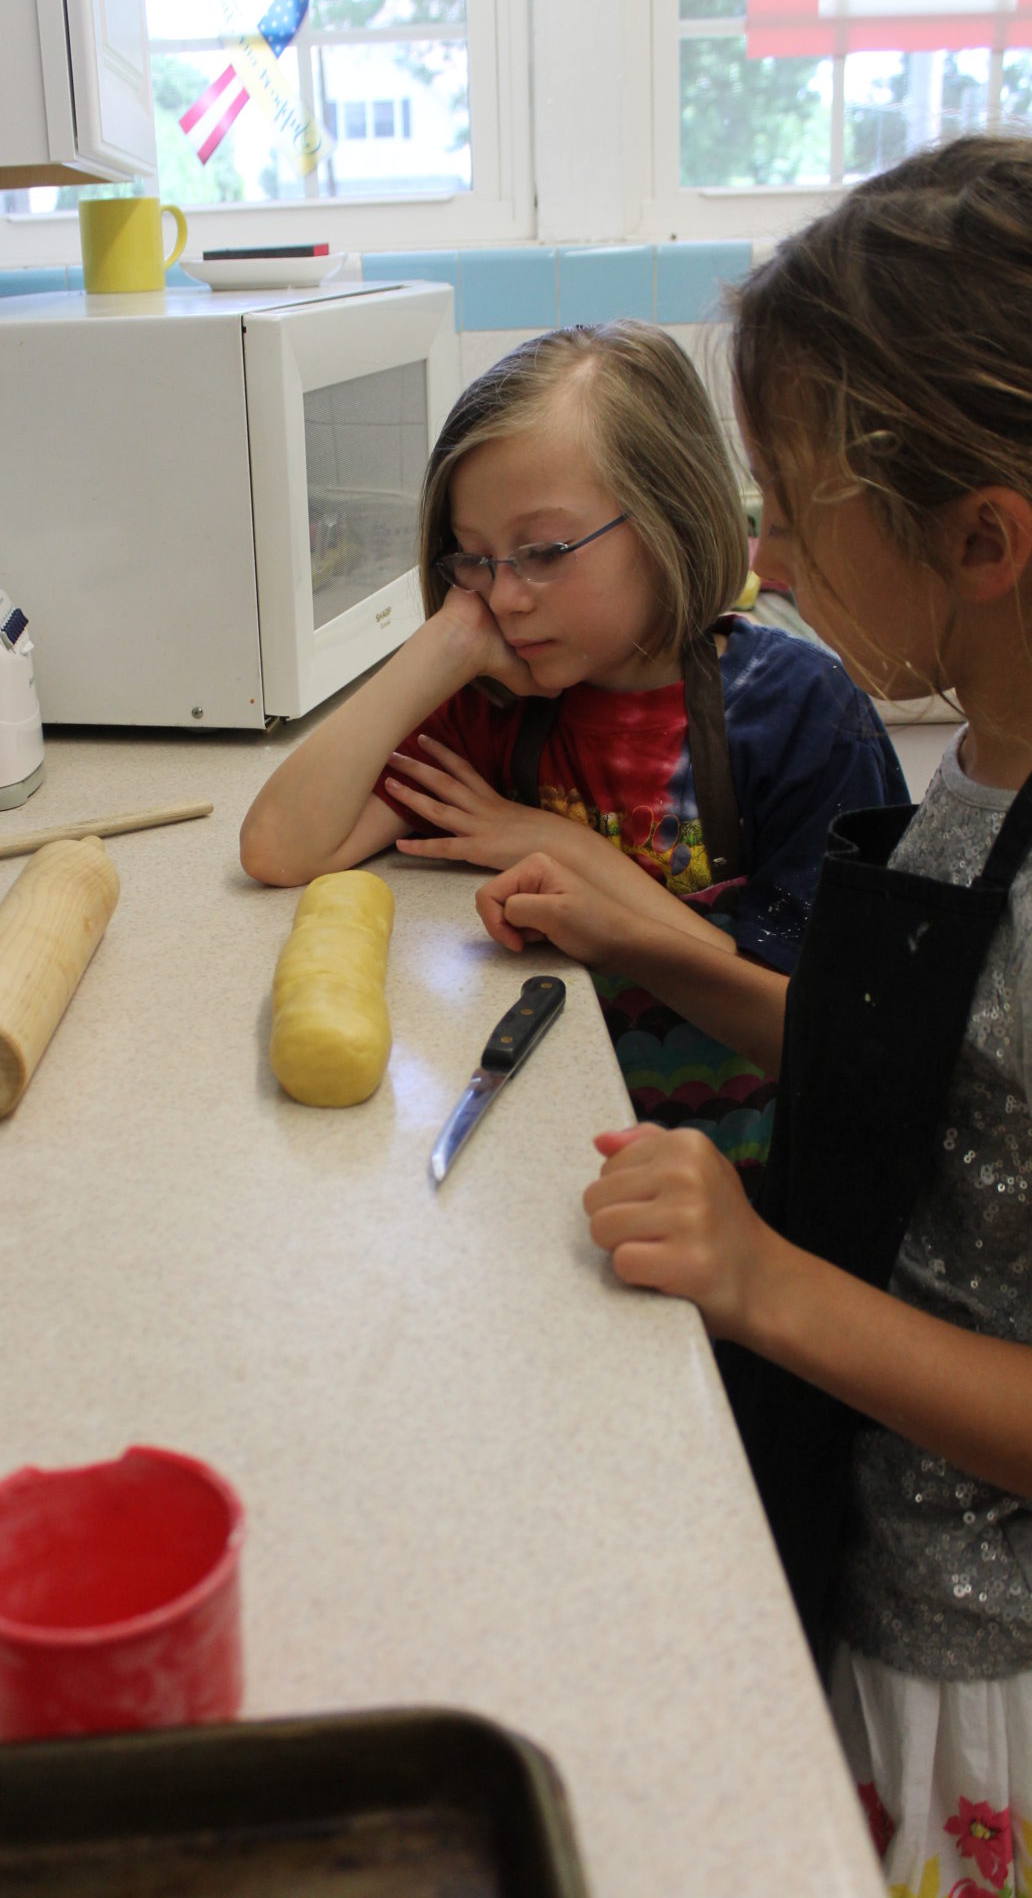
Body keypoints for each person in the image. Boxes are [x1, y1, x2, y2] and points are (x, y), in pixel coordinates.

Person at [578, 134, 1032, 1894]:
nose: (755, 552)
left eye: (781, 499)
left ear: (983, 538)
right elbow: (953, 1079)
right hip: (880, 1547)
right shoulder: (984, 765)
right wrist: (675, 953)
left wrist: (765, 1280)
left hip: (985, 1666)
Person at [241, 321, 906, 1190]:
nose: (506, 598)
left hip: (751, 1192)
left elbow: (808, 1025)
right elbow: (280, 847)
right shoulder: (494, 707)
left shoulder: (800, 718)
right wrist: (445, 641)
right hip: (552, 1171)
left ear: (666, 511)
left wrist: (567, 852)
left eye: (545, 553)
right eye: (474, 557)